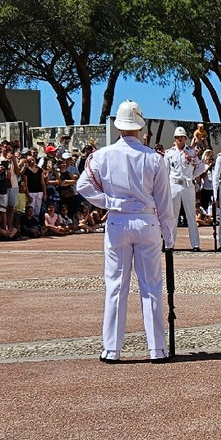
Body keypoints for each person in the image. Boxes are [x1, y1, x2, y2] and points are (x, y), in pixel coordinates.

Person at [76, 99, 176, 364]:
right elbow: (165, 202)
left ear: (118, 126)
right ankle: (157, 349)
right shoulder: (155, 159)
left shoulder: (101, 156)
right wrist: (170, 236)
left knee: (116, 286)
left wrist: (111, 202)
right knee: (151, 286)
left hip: (118, 222)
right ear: (140, 126)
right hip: (147, 222)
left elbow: (83, 186)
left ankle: (111, 350)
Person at [165, 126, 206, 251]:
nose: (179, 139)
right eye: (177, 137)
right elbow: (165, 171)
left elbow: (201, 166)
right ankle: (169, 244)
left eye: (181, 137)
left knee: (191, 215)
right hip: (174, 185)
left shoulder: (191, 152)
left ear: (185, 138)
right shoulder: (169, 153)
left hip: (188, 185)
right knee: (173, 216)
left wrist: (191, 176)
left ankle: (195, 244)